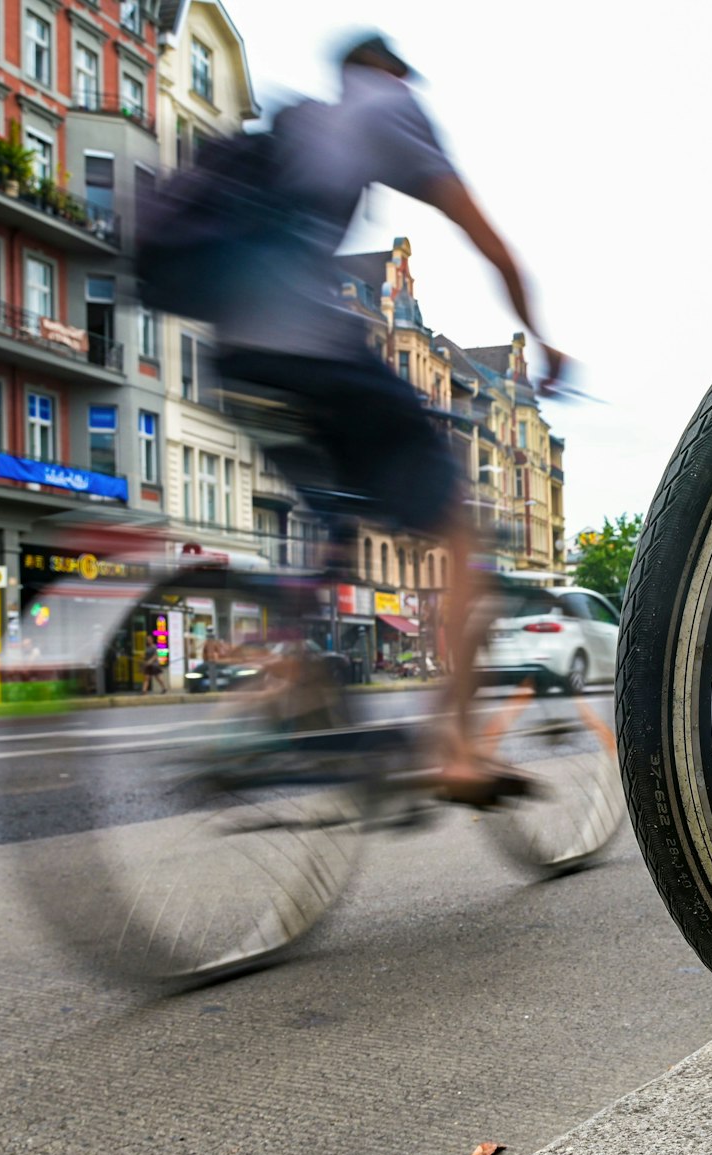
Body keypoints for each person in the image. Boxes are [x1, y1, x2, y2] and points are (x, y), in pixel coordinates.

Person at [208, 32, 562, 802]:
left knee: (334, 526)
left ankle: (281, 705)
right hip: (308, 348)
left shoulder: (302, 121)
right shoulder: (387, 103)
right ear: (391, 70)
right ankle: (458, 749)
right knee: (464, 529)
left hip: (234, 355)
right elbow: (484, 235)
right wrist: (540, 337)